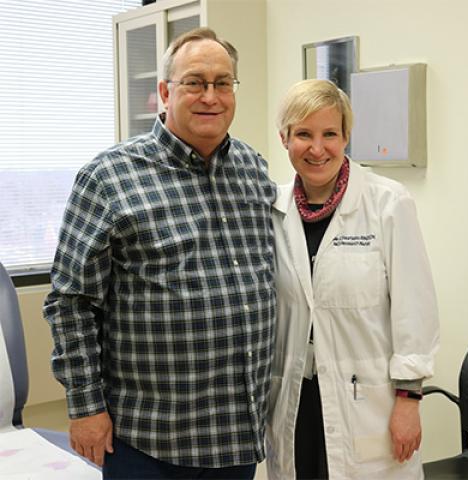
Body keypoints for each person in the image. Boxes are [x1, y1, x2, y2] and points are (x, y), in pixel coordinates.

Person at [43, 27, 276, 480]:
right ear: (166, 92)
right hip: (148, 441)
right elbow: (70, 302)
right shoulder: (109, 177)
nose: (211, 95)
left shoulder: (253, 170)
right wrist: (86, 408)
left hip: (237, 436)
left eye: (222, 83)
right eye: (195, 82)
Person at [266, 79, 439, 480]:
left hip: (370, 402)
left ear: (346, 137)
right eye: (303, 134)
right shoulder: (270, 208)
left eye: (330, 134)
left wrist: (409, 399)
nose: (317, 148)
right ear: (284, 138)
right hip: (296, 398)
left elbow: (415, 308)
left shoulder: (387, 203)